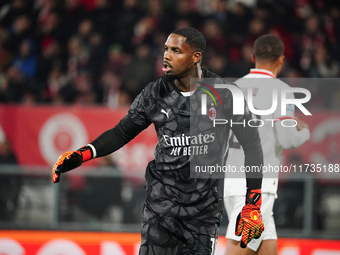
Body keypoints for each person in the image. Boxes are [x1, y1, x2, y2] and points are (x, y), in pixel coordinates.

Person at [52, 27, 264, 255]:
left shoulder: (225, 94)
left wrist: (253, 203)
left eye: (175, 50)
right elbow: (121, 133)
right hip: (161, 208)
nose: (166, 55)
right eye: (165, 49)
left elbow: (252, 145)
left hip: (203, 215)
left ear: (196, 57)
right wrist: (83, 154)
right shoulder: (154, 94)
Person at [224, 34, 311, 255]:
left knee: (267, 247)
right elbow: (288, 139)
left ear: (253, 57)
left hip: (233, 182)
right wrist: (304, 131)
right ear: (281, 60)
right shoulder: (281, 91)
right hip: (256, 189)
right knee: (237, 250)